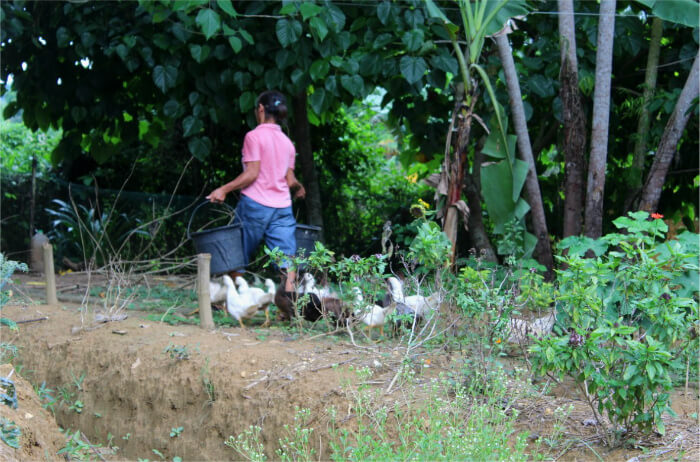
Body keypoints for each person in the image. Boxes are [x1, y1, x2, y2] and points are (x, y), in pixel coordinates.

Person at [206, 90, 305, 292]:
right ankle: (290, 305)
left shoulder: (254, 136)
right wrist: (299, 188)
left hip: (255, 204)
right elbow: (290, 179)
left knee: (237, 251)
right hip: (282, 207)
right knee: (287, 257)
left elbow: (252, 174)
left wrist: (223, 189)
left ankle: (233, 299)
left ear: (260, 108)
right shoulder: (287, 142)